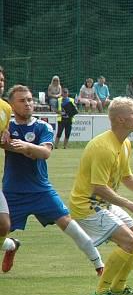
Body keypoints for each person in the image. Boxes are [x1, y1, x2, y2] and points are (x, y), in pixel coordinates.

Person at [1, 84, 104, 275]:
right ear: (11, 105)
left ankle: (100, 267)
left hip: (41, 190)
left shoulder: (42, 126)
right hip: (12, 191)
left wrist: (24, 146)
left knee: (70, 226)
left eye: (30, 100)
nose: (28, 104)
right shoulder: (7, 126)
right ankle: (11, 245)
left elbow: (45, 152)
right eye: (22, 101)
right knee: (1, 232)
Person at [68, 97, 133, 295]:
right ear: (120, 119)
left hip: (102, 203)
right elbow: (99, 188)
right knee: (129, 241)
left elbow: (126, 176)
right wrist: (130, 204)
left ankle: (119, 287)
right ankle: (101, 292)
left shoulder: (125, 143)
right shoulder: (103, 148)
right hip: (87, 205)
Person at [0, 66, 20, 272]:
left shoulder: (5, 108)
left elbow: (3, 134)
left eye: (2, 80)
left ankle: (12, 245)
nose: (0, 83)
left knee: (4, 225)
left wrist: (5, 136)